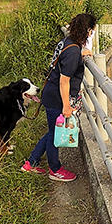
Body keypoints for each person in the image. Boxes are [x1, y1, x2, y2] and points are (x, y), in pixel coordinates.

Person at [21, 13, 96, 181]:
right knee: (55, 134)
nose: (92, 34)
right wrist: (66, 106)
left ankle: (31, 163)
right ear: (88, 30)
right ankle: (55, 170)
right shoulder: (73, 52)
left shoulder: (68, 42)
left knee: (52, 132)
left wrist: (82, 52)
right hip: (58, 96)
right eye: (92, 31)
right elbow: (64, 81)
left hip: (52, 92)